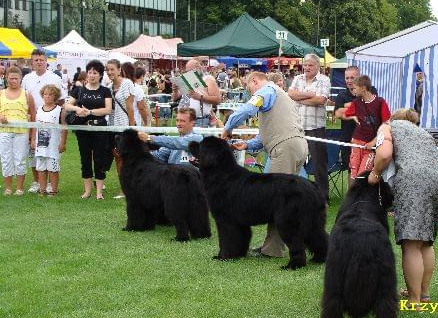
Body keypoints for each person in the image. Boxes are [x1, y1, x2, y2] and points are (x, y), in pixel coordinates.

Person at [368, 108, 438, 308]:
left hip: (414, 181)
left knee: (411, 243)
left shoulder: (388, 126)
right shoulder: (422, 133)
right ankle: (423, 293)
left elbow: (384, 153)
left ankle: (414, 301)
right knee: (426, 242)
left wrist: (375, 173)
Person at [222, 71, 308, 259]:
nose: (250, 92)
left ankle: (273, 250)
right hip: (297, 147)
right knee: (285, 201)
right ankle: (274, 247)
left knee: (277, 201)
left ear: (255, 80)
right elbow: (269, 132)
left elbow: (247, 109)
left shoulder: (267, 90)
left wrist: (228, 126)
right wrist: (248, 144)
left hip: (285, 149)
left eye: (249, 87)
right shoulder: (280, 95)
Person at [65, 60, 112, 200]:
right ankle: (87, 191)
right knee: (85, 159)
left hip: (99, 128)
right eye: (90, 72)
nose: (92, 75)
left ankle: (99, 192)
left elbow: (108, 109)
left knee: (99, 159)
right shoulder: (79, 89)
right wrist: (77, 109)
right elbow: (67, 105)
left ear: (100, 75)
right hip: (83, 129)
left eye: (95, 73)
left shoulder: (105, 90)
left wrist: (90, 112)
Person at [288, 53, 330, 201]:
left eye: (310, 65)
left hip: (315, 127)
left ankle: (322, 198)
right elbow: (290, 94)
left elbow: (320, 100)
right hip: (297, 127)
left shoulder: (324, 80)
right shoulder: (298, 78)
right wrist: (308, 95)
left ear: (318, 66)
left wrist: (300, 99)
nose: (307, 67)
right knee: (294, 161)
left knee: (319, 164)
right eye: (305, 64)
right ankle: (295, 195)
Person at [21, 49, 63, 194]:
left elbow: (62, 100)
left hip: (52, 121)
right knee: (34, 153)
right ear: (31, 62)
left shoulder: (55, 78)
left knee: (51, 153)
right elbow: (24, 99)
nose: (39, 62)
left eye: (41, 60)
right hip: (35, 120)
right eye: (36, 60)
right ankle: (37, 182)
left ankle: (51, 184)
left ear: (46, 61)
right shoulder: (27, 78)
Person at [334, 66, 378, 183]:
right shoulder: (341, 95)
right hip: (348, 139)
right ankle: (352, 199)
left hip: (368, 140)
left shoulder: (371, 90)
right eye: (347, 78)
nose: (349, 81)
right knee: (352, 170)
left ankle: (365, 199)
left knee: (367, 170)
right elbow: (338, 113)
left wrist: (348, 107)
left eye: (352, 78)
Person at [344, 75, 390, 179]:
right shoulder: (356, 102)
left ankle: (362, 195)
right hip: (357, 142)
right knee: (354, 173)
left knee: (363, 175)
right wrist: (352, 117)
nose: (353, 91)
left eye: (355, 88)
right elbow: (345, 114)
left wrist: (374, 141)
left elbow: (386, 125)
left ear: (363, 88)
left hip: (371, 146)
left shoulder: (380, 102)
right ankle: (353, 195)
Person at [0, 66, 36, 196]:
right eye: (11, 78)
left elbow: (33, 115)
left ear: (21, 79)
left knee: (20, 159)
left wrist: (32, 136)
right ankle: (8, 188)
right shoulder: (1, 93)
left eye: (16, 78)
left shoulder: (27, 94)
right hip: (4, 131)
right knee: (6, 159)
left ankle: (20, 188)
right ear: (6, 78)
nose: (13, 81)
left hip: (21, 132)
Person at [106, 58, 135, 199]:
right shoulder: (108, 86)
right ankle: (124, 188)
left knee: (127, 158)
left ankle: (129, 188)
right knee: (118, 158)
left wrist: (131, 127)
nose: (110, 72)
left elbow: (130, 107)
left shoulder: (127, 84)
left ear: (119, 69)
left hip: (124, 127)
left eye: (112, 69)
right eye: (108, 69)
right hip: (112, 126)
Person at [32, 84, 67, 196]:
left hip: (53, 145)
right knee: (41, 168)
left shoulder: (59, 110)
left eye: (50, 94)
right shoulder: (39, 110)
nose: (47, 96)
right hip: (40, 145)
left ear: (55, 96)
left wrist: (62, 143)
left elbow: (64, 128)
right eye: (45, 94)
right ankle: (42, 190)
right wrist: (33, 139)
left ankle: (53, 190)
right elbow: (34, 126)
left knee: (53, 168)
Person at [138, 107, 203, 165]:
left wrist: (150, 138)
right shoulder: (171, 143)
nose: (178, 124)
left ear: (192, 122)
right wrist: (136, 154)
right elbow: (158, 156)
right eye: (177, 120)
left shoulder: (197, 138)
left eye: (182, 121)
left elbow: (178, 142)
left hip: (190, 177)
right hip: (173, 176)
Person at [171, 59, 221, 127]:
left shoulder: (208, 79)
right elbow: (175, 98)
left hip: (199, 121)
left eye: (191, 71)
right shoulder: (187, 79)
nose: (188, 73)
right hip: (184, 120)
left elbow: (217, 100)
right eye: (187, 71)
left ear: (199, 68)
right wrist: (175, 90)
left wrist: (200, 97)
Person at [122, 62, 149, 127]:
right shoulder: (136, 88)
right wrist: (146, 122)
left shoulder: (113, 86)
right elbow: (141, 108)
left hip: (117, 123)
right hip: (133, 123)